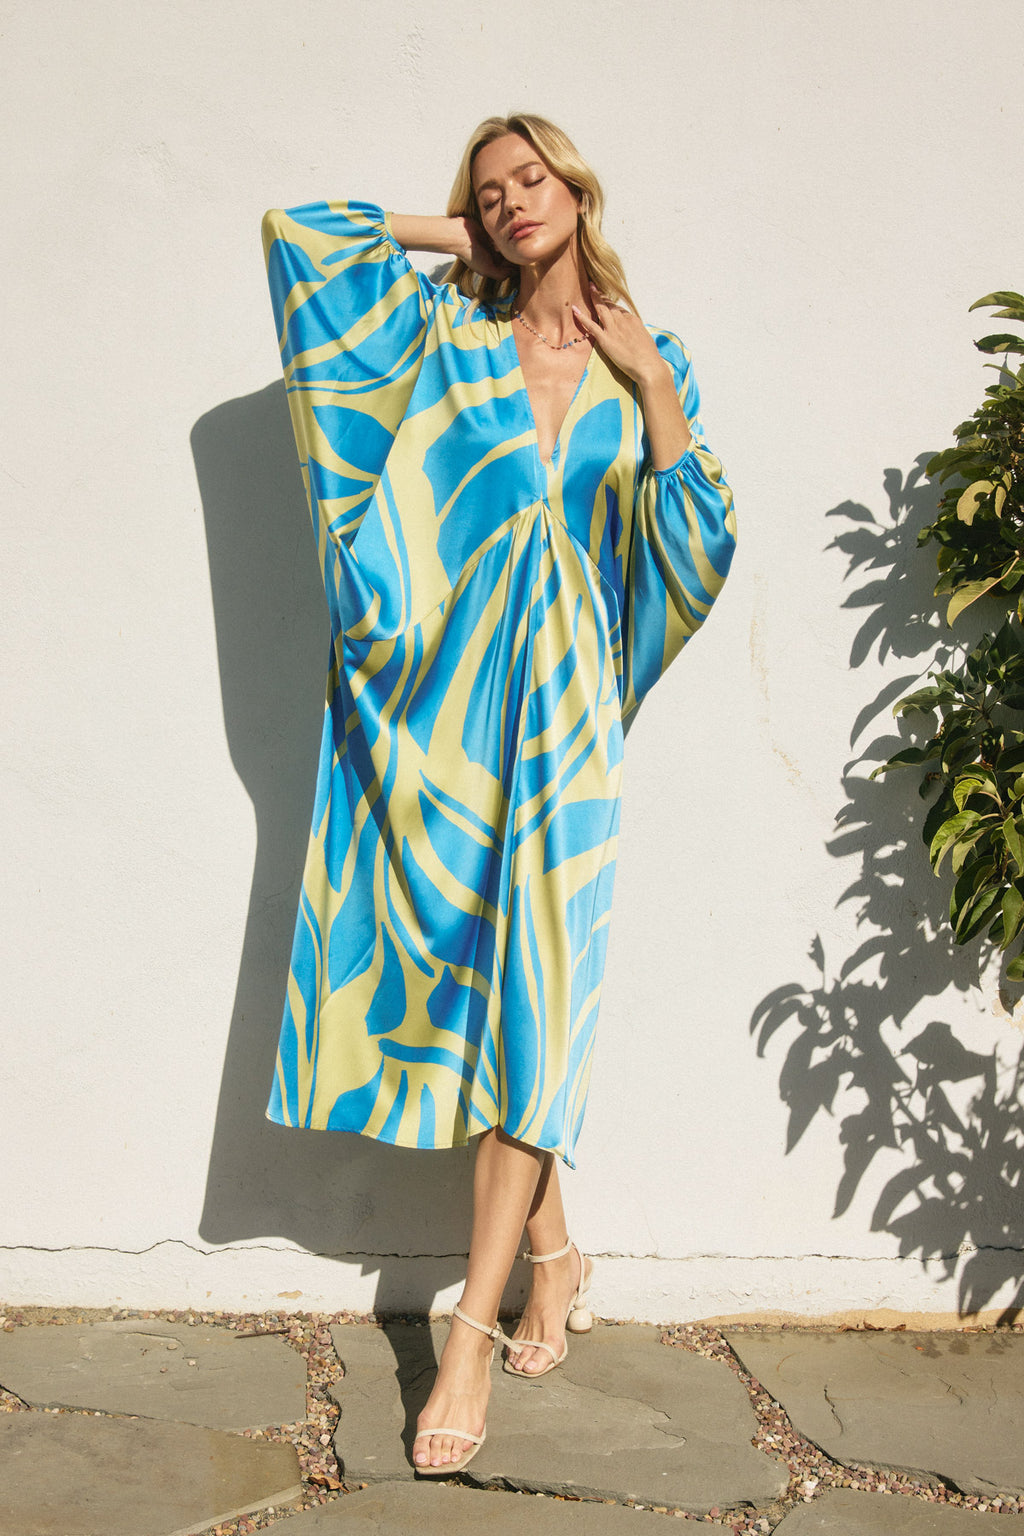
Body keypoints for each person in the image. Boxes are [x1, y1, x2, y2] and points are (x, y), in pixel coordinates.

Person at [261, 112, 736, 1475]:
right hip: (451, 712)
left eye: (532, 179)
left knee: (543, 987)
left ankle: (468, 1330)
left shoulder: (649, 353)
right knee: (487, 990)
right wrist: (450, 239)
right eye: (490, 191)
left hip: (570, 712)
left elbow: (696, 540)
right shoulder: (451, 338)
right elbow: (303, 238)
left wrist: (652, 386)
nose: (515, 202)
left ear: (579, 188)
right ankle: (557, 1253)